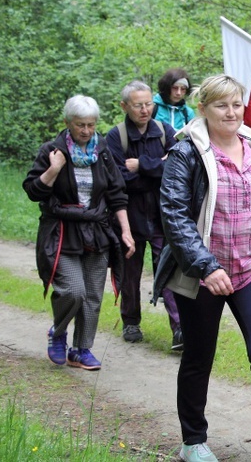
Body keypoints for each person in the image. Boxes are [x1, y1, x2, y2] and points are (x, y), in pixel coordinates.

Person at [153, 74, 251, 462]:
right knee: (199, 355)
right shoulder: (186, 153)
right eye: (222, 105)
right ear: (203, 109)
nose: (231, 112)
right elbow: (174, 215)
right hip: (203, 274)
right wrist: (206, 266)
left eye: (236, 104)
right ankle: (193, 442)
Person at [23, 95, 135, 371]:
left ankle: (81, 350)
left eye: (91, 124)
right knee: (73, 291)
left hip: (97, 231)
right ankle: (58, 333)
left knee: (93, 296)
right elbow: (32, 190)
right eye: (80, 124)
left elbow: (117, 194)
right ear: (67, 123)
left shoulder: (104, 151)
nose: (86, 130)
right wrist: (54, 169)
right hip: (61, 232)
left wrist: (126, 231)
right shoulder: (52, 150)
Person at [105, 80, 183, 349]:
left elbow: (176, 169)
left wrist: (142, 166)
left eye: (148, 104)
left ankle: (179, 329)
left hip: (162, 216)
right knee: (129, 273)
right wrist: (155, 170)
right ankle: (131, 322)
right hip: (130, 216)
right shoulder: (115, 137)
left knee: (170, 271)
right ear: (124, 106)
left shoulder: (164, 131)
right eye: (138, 105)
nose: (144, 110)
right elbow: (119, 180)